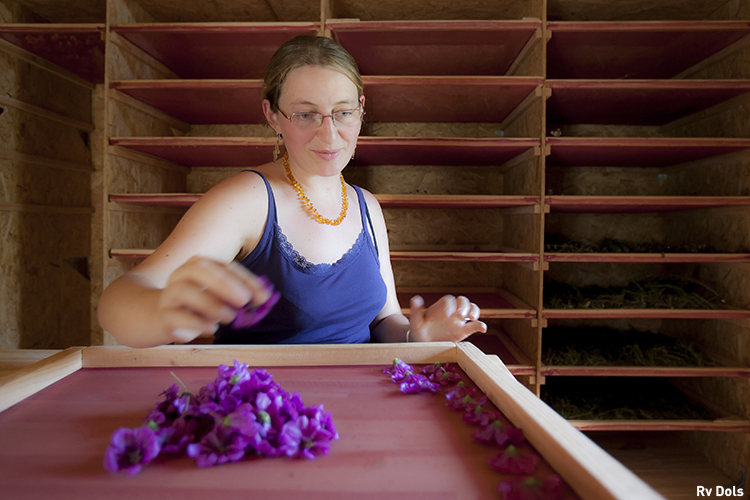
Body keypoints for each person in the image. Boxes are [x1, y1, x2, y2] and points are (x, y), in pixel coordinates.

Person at [98, 35, 487, 348]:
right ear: (272, 115)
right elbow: (119, 303)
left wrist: (416, 336)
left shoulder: (366, 206)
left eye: (344, 112)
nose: (330, 134)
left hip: (357, 412)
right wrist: (162, 314)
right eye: (305, 114)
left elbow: (383, 320)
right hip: (268, 422)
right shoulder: (248, 199)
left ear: (361, 109)